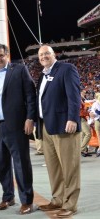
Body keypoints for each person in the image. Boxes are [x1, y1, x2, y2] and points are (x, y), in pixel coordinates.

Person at [0, 43, 37, 215]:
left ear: (7, 55)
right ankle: (8, 196)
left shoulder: (19, 71)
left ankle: (27, 201)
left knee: (21, 164)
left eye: (1, 55)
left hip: (17, 126)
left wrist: (30, 118)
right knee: (2, 164)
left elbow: (30, 95)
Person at [36, 45, 81, 218]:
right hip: (47, 126)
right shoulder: (43, 75)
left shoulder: (66, 69)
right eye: (41, 55)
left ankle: (70, 204)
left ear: (54, 54)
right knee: (54, 167)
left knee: (69, 167)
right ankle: (57, 199)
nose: (44, 56)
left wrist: (72, 118)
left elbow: (74, 96)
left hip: (64, 125)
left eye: (47, 53)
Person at [80, 90, 92, 157]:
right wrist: (88, 112)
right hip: (81, 117)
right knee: (88, 134)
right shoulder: (78, 99)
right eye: (83, 93)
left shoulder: (82, 99)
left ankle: (83, 151)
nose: (85, 94)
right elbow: (80, 110)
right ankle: (81, 150)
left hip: (82, 118)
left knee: (83, 134)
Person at [89, 92, 100, 157]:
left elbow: (93, 112)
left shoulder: (95, 104)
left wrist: (96, 112)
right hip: (97, 121)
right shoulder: (95, 104)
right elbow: (92, 113)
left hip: (97, 120)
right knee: (98, 136)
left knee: (98, 136)